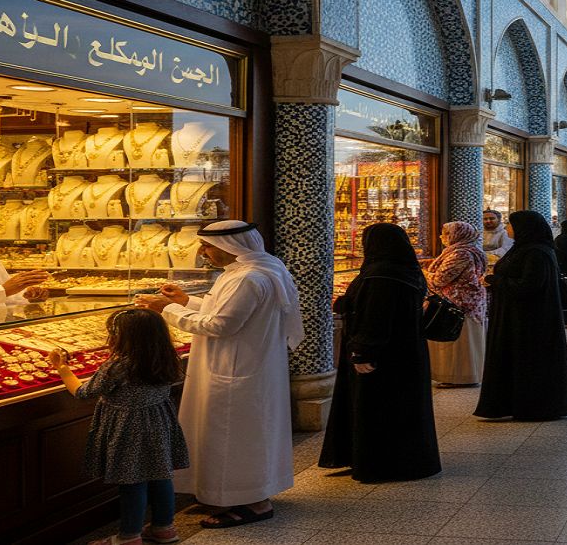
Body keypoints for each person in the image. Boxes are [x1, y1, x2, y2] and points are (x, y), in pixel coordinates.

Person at [135, 220, 303, 526]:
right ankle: (228, 494)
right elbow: (222, 311)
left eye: (208, 245)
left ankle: (252, 502)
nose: (203, 251)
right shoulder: (250, 271)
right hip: (244, 367)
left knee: (235, 438)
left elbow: (220, 325)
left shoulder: (249, 278)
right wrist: (185, 301)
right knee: (232, 435)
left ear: (231, 246)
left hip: (236, 371)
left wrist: (166, 310)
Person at [49, 309, 188, 545]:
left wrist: (62, 369)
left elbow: (84, 392)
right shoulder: (167, 357)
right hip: (159, 423)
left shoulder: (118, 366)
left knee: (132, 481)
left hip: (128, 429)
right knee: (161, 476)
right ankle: (165, 529)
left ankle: (129, 536)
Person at [319, 223, 440, 480]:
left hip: (384, 357)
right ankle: (404, 459)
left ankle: (380, 463)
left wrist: (363, 352)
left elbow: (377, 316)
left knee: (378, 409)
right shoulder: (405, 270)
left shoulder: (381, 275)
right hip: (406, 352)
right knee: (402, 408)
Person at [474, 210, 567, 420]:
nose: (507, 228)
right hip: (516, 318)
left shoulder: (536, 253)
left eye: (511, 224)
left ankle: (534, 406)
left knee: (529, 363)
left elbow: (529, 286)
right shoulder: (523, 249)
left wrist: (494, 281)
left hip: (528, 322)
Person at [424, 221, 488, 387]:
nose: (441, 237)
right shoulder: (467, 251)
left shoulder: (461, 254)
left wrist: (424, 273)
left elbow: (439, 280)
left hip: (458, 303)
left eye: (445, 234)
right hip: (466, 302)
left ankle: (458, 377)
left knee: (459, 342)